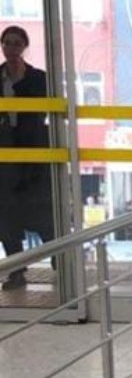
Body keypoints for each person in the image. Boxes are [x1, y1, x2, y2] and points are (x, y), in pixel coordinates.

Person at [0, 25, 54, 291]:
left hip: (34, 153)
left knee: (42, 212)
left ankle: (61, 262)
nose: (11, 48)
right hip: (5, 155)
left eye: (16, 43)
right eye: (6, 43)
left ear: (24, 47)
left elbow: (46, 113)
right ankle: (16, 271)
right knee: (6, 215)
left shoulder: (39, 79)